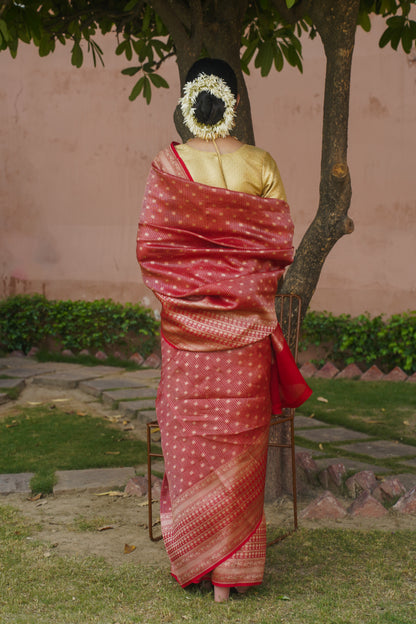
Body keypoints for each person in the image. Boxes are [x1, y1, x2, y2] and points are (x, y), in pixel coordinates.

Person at [136, 58, 311, 603]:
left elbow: (154, 253)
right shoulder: (260, 163)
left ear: (187, 100)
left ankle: (194, 561)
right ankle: (229, 576)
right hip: (244, 337)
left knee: (190, 443)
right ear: (236, 101)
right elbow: (277, 250)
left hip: (187, 340)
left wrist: (193, 296)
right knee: (240, 447)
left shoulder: (168, 165)